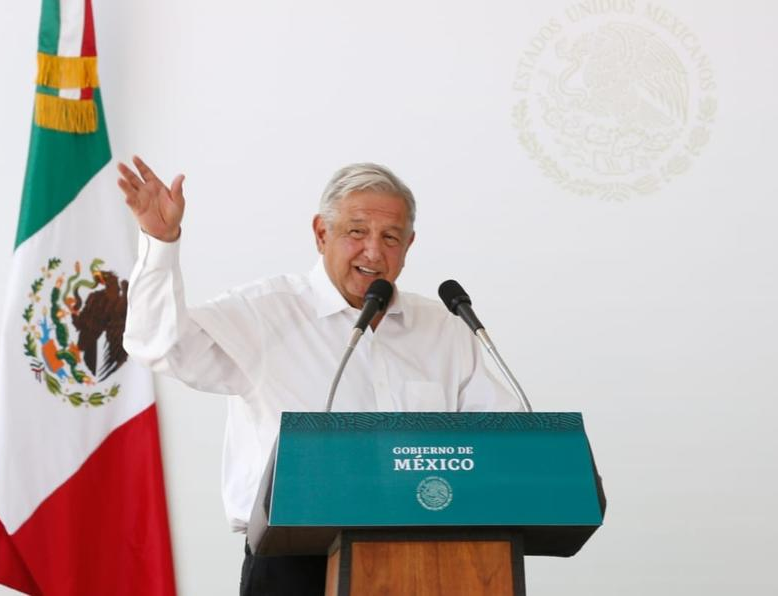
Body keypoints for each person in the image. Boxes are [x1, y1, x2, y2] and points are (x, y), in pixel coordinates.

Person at [117, 156, 518, 595]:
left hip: (429, 557)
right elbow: (157, 345)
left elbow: (502, 438)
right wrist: (160, 243)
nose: (373, 251)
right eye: (356, 232)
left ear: (409, 245)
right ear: (321, 233)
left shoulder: (442, 328)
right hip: (294, 563)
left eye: (390, 237)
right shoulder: (264, 312)